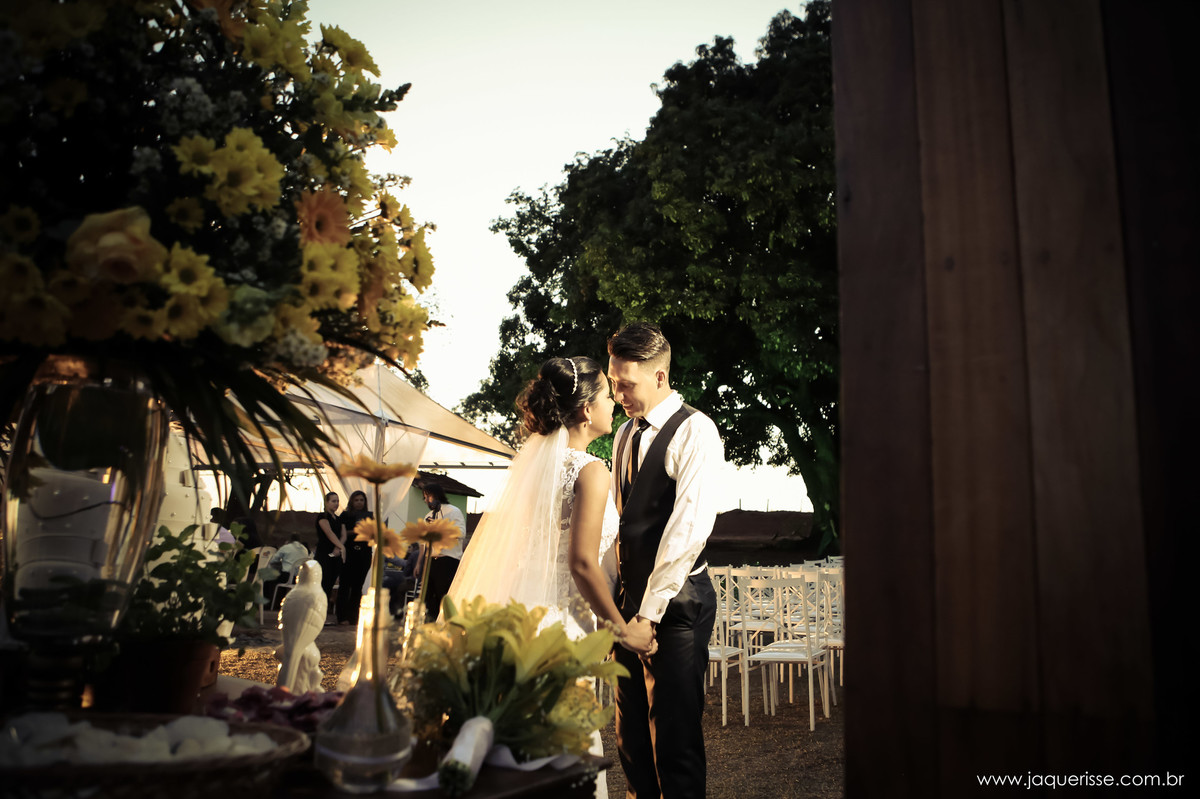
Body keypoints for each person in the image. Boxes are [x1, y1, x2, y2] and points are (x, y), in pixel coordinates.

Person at [447, 355, 657, 799]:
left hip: (524, 618)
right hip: (561, 631)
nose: (614, 404)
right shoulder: (590, 470)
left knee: (529, 752)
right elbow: (582, 562)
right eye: (606, 396)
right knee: (567, 753)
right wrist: (622, 631)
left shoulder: (537, 470)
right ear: (585, 410)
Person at [607, 322, 724, 799]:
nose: (617, 395)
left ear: (660, 377)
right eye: (614, 383)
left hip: (675, 609)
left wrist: (647, 615)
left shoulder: (697, 431)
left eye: (626, 384)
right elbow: (622, 525)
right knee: (630, 741)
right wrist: (616, 612)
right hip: (628, 609)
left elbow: (687, 532)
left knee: (673, 746)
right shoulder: (620, 435)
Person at [418, 484, 466, 621]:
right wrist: (419, 561)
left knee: (443, 596)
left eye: (429, 496)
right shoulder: (428, 516)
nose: (426, 500)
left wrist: (440, 527)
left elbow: (461, 533)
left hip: (447, 560)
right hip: (430, 560)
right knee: (428, 596)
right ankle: (429, 626)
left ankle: (446, 625)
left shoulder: (453, 511)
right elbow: (423, 541)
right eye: (424, 497)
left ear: (437, 495)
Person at [336, 489, 373, 625]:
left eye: (361, 500)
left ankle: (354, 616)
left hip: (364, 554)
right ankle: (342, 616)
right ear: (352, 501)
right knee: (345, 585)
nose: (359, 503)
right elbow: (340, 532)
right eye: (356, 500)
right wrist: (356, 530)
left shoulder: (370, 516)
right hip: (349, 553)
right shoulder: (345, 515)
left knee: (358, 587)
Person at [314, 492, 344, 622]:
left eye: (337, 501)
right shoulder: (322, 517)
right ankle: (317, 616)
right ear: (326, 502)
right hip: (324, 554)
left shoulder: (338, 519)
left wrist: (339, 547)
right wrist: (340, 547)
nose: (336, 503)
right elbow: (329, 533)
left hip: (335, 554)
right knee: (323, 584)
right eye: (333, 501)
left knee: (330, 584)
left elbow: (343, 535)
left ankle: (323, 615)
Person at [264, 534, 310, 609]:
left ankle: (267, 605)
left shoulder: (286, 547)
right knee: (282, 579)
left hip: (286, 575)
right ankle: (279, 604)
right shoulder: (304, 549)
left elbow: (273, 561)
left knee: (267, 579)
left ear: (290, 540)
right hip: (299, 577)